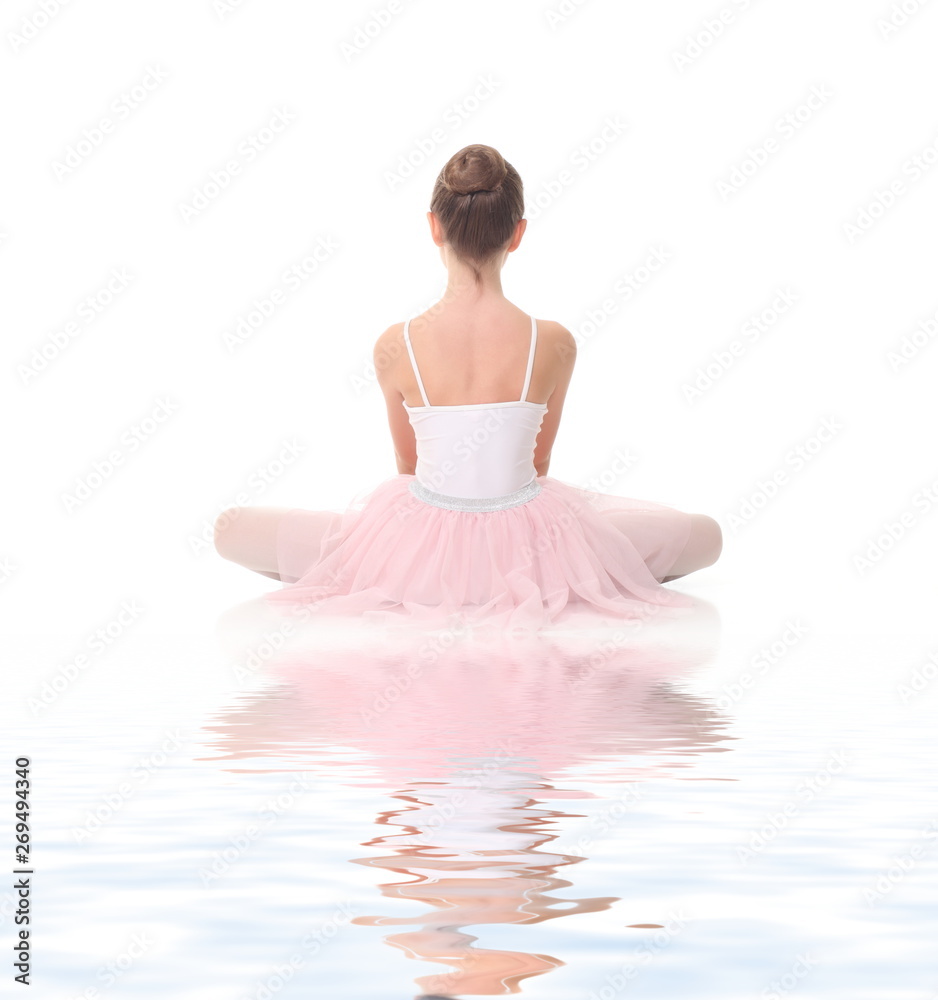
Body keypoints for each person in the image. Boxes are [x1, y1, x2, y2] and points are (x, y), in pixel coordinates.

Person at [214, 143, 722, 630]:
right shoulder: (553, 342)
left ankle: (421, 576)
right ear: (517, 234)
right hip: (531, 554)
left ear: (434, 227)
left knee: (229, 529)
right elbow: (539, 464)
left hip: (417, 557)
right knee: (707, 537)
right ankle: (534, 573)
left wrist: (421, 541)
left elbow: (408, 467)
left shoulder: (397, 344)